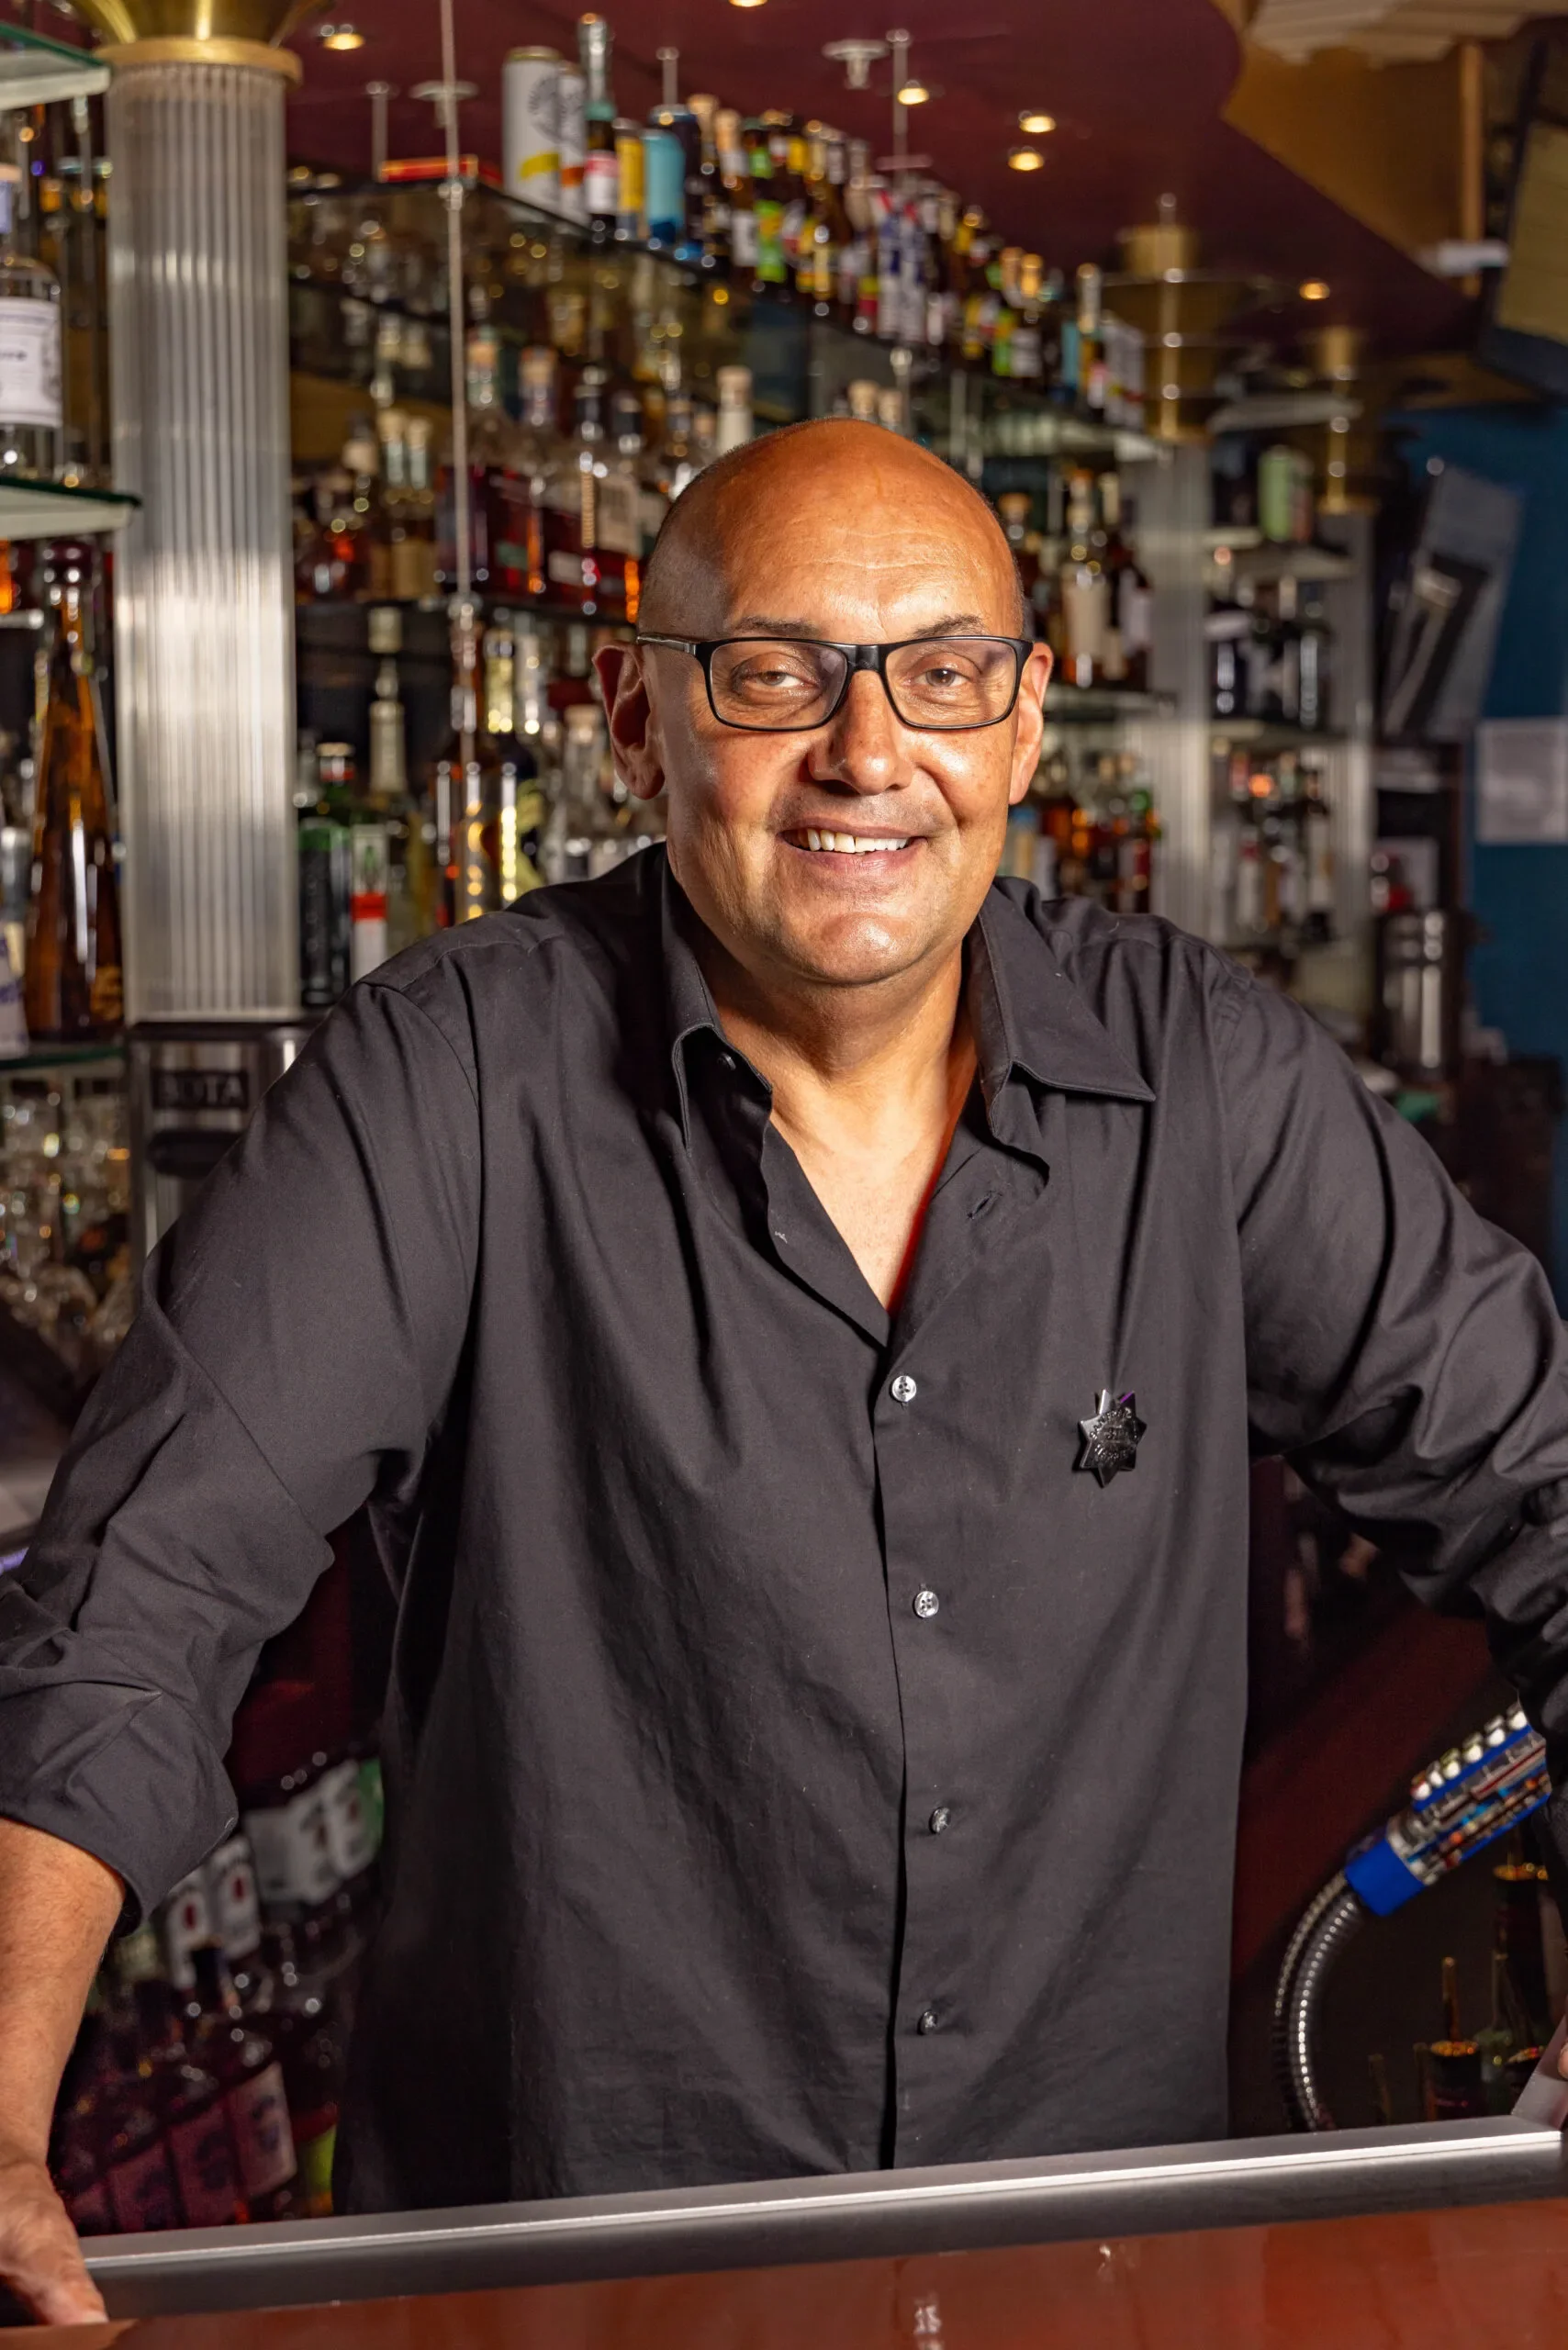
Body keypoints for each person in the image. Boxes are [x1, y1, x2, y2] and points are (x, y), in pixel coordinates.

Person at [4, 419, 1568, 2322]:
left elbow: (1541, 1483)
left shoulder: (1205, 1083)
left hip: (1091, 2268)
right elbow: (139, 1591)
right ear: (635, 720)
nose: (866, 752)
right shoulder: (446, 1082)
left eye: (941, 673)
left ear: (1022, 725)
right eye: (775, 673)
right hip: (573, 2289)